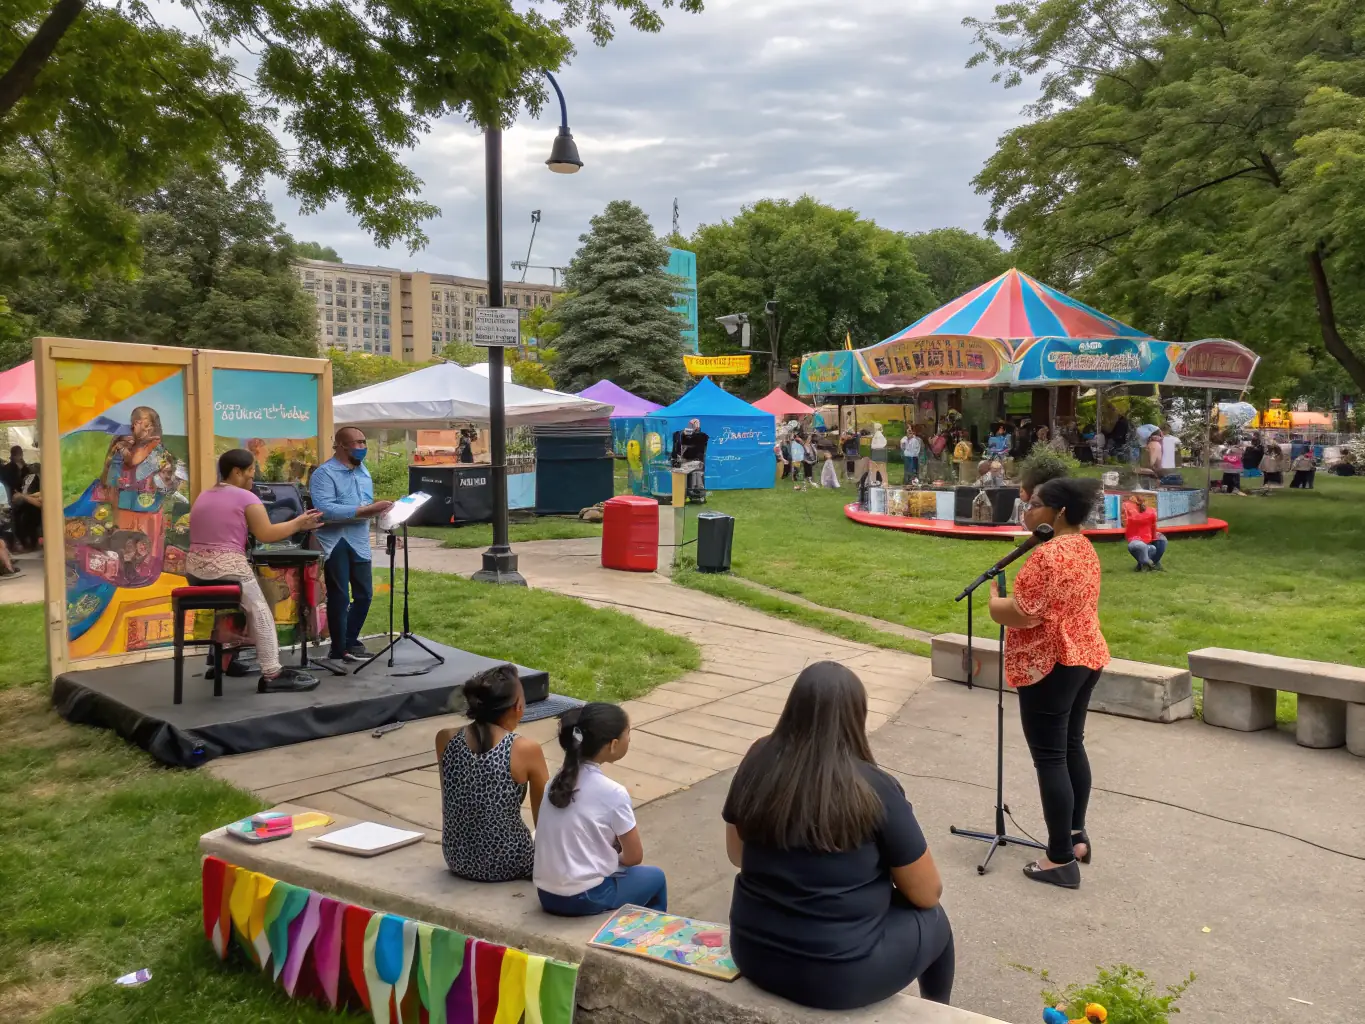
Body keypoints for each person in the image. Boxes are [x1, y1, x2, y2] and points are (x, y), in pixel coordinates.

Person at [721, 662, 953, 1010]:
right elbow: (926, 893)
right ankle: (938, 1011)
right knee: (935, 921)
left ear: (792, 708)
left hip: (752, 954)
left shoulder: (757, 758)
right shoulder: (874, 787)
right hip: (838, 980)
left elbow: (737, 854)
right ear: (857, 717)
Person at [988, 477, 1110, 890]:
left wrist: (994, 604)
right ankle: (1076, 838)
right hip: (1085, 654)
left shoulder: (1047, 555)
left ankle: (1059, 859)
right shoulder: (1084, 547)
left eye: (1034, 504)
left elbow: (1024, 613)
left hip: (1049, 662)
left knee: (1050, 758)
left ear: (1059, 512)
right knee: (1071, 745)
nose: (1027, 511)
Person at [187, 449, 324, 692]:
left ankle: (223, 660)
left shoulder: (204, 495)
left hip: (195, 571)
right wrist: (299, 523)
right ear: (236, 472)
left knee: (237, 605)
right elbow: (266, 534)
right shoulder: (245, 497)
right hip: (227, 569)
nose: (254, 475)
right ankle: (272, 673)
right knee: (260, 609)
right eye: (251, 470)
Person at [534, 703, 667, 916]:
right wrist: (611, 858)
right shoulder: (613, 793)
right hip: (584, 897)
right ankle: (645, 933)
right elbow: (634, 857)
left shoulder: (555, 782)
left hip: (547, 895)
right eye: (628, 734)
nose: (629, 739)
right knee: (656, 878)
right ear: (613, 745)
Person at [436, 663, 549, 882]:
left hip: (457, 858)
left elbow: (451, 806)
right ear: (518, 707)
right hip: (509, 863)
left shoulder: (445, 738)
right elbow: (545, 819)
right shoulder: (525, 749)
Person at [309, 427, 393, 663]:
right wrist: (366, 510)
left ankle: (349, 640)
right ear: (341, 445)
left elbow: (366, 505)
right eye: (357, 443)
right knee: (340, 597)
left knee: (365, 595)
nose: (363, 447)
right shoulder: (324, 474)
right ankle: (339, 648)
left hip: (359, 540)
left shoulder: (363, 471)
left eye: (364, 442)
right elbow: (325, 510)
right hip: (335, 541)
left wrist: (380, 513)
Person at [1122, 493, 1166, 572]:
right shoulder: (1151, 511)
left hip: (1135, 539)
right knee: (1158, 542)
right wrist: (1153, 538)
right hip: (1144, 539)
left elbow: (1127, 523)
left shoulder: (1129, 509)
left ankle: (1147, 564)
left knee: (1155, 543)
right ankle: (1151, 563)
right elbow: (1153, 527)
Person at [669, 418, 709, 503]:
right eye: (692, 424)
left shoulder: (702, 436)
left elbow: (701, 440)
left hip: (696, 462)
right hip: (684, 461)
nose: (694, 426)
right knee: (682, 479)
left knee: (696, 477)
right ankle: (682, 497)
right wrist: (683, 433)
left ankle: (697, 497)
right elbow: (677, 438)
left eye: (695, 424)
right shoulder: (680, 435)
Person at [10, 458, 41, 552]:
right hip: (26, 503)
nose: (31, 466)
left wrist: (24, 496)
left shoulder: (38, 477)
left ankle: (30, 544)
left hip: (34, 505)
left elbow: (40, 497)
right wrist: (21, 496)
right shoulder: (27, 477)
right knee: (16, 514)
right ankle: (23, 543)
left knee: (28, 516)